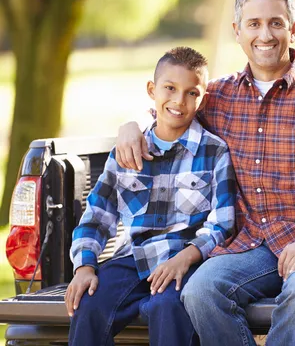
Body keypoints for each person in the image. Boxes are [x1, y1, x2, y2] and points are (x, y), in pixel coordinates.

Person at [116, 0, 295, 346]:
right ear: (237, 32)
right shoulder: (218, 96)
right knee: (201, 291)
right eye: (253, 24)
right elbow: (171, 114)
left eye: (276, 22)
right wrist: (130, 127)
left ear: (293, 29)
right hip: (253, 244)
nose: (265, 34)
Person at [66, 47, 236, 346]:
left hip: (186, 259)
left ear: (201, 99)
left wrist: (186, 257)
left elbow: (222, 223)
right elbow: (96, 215)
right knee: (89, 303)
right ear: (151, 89)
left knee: (167, 307)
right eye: (170, 88)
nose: (179, 101)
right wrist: (85, 265)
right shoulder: (127, 149)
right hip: (134, 258)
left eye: (191, 93)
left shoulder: (215, 151)